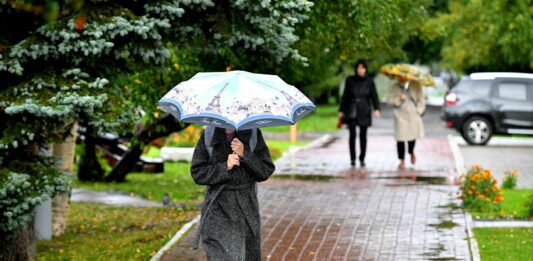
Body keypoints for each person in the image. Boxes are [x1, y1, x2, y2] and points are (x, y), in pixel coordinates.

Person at [190, 127, 275, 261]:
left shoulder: (253, 133)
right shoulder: (209, 135)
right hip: (217, 210)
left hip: (246, 211)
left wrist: (244, 154)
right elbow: (198, 172)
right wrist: (225, 167)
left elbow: (265, 170)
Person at [339, 59, 381, 167]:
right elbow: (345, 96)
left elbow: (374, 96)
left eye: (362, 68)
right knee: (352, 135)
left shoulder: (369, 81)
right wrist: (341, 110)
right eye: (358, 68)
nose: (360, 70)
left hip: (364, 109)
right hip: (352, 109)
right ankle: (352, 158)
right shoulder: (350, 80)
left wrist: (376, 108)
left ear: (365, 69)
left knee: (363, 135)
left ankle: (362, 158)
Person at [387, 77, 425, 169]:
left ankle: (411, 152)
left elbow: (421, 99)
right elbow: (389, 101)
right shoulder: (395, 87)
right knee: (400, 138)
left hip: (413, 114)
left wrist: (418, 111)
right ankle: (402, 160)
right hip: (400, 115)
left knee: (411, 137)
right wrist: (399, 99)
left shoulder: (415, 85)